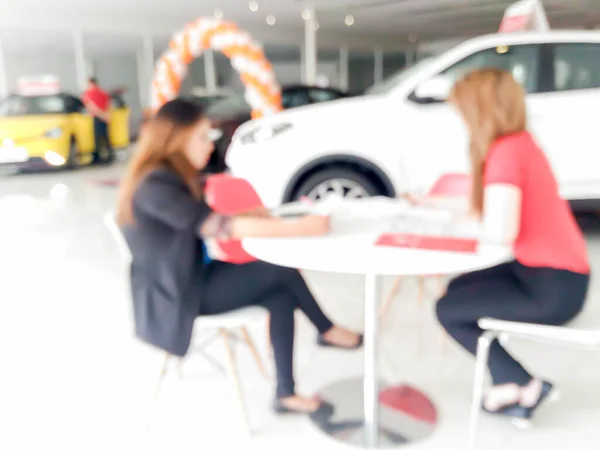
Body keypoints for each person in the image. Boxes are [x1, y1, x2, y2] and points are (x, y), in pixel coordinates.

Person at [116, 98, 362, 418]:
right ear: (177, 139)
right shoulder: (156, 185)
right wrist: (302, 227)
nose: (210, 145)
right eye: (203, 137)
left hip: (189, 277)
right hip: (177, 295)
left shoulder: (167, 176)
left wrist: (255, 214)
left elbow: (202, 217)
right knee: (278, 270)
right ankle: (327, 330)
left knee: (280, 296)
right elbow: (221, 228)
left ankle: (286, 393)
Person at [435, 68, 590, 423]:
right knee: (457, 291)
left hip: (553, 286)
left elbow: (499, 230)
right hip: (552, 272)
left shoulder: (505, 152)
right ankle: (510, 381)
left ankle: (525, 383)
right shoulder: (521, 143)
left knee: (447, 310)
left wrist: (462, 226)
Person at [82, 77, 112, 164]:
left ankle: (98, 157)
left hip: (96, 117)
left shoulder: (88, 93)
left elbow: (91, 106)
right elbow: (108, 105)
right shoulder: (104, 93)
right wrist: (106, 116)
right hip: (105, 117)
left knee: (96, 138)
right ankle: (108, 156)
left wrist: (100, 115)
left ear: (90, 83)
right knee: (105, 137)